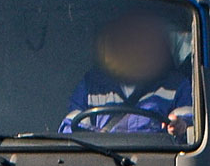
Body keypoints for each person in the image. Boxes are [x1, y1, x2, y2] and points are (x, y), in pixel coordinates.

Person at [60, 12, 192, 139]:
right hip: (99, 160)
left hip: (157, 161)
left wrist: (181, 125)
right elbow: (71, 129)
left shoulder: (177, 85)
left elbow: (192, 123)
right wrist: (99, 138)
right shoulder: (92, 84)